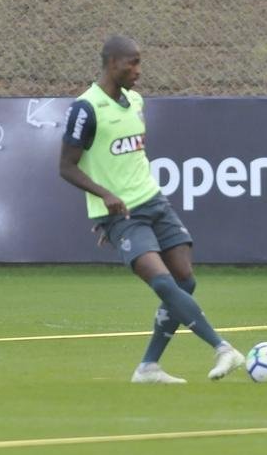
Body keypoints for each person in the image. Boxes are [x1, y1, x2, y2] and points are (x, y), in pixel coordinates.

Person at [59, 35, 245, 384]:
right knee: (161, 282)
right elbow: (66, 167)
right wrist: (105, 201)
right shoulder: (85, 108)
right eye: (133, 63)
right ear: (112, 63)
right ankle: (222, 348)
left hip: (154, 202)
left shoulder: (135, 101)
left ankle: (148, 368)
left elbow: (127, 158)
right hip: (123, 216)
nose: (138, 71)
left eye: (139, 62)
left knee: (184, 281)